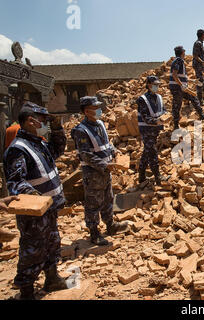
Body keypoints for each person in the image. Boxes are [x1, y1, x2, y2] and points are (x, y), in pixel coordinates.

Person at [3, 103, 68, 300]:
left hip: (50, 207)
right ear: (31, 121)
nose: (45, 124)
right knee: (32, 250)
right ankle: (27, 291)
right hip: (34, 212)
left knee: (52, 243)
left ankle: (52, 278)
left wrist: (57, 128)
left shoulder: (37, 142)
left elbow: (57, 150)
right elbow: (15, 182)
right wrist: (36, 197)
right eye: (44, 120)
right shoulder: (18, 149)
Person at [71, 97, 129, 247]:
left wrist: (115, 153)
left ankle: (110, 225)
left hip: (105, 171)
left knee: (108, 198)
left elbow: (106, 144)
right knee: (93, 203)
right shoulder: (80, 130)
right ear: (86, 111)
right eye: (94, 107)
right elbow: (85, 155)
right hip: (93, 173)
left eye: (98, 106)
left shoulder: (100, 124)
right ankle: (94, 232)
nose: (98, 110)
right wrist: (105, 165)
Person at [137, 76, 170, 185]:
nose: (157, 87)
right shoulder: (142, 99)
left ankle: (141, 176)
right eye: (155, 85)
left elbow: (163, 110)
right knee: (152, 152)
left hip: (155, 129)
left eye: (158, 84)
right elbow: (145, 117)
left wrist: (166, 116)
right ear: (149, 85)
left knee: (147, 151)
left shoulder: (159, 97)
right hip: (146, 130)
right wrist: (157, 121)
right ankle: (158, 176)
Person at [169, 46, 204, 130]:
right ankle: (176, 125)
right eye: (184, 51)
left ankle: (201, 115)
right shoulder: (178, 61)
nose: (185, 53)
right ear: (182, 53)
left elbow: (182, 77)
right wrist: (181, 85)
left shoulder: (180, 61)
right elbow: (174, 75)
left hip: (182, 87)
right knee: (177, 105)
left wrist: (193, 81)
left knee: (193, 97)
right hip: (177, 88)